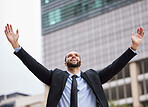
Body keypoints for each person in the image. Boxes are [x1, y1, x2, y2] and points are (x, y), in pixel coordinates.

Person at [4, 24, 144, 107]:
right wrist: (17, 47)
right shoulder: (56, 77)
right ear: (66, 63)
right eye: (70, 55)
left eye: (76, 55)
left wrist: (132, 48)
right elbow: (34, 66)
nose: (73, 56)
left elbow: (115, 67)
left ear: (80, 62)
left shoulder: (93, 76)